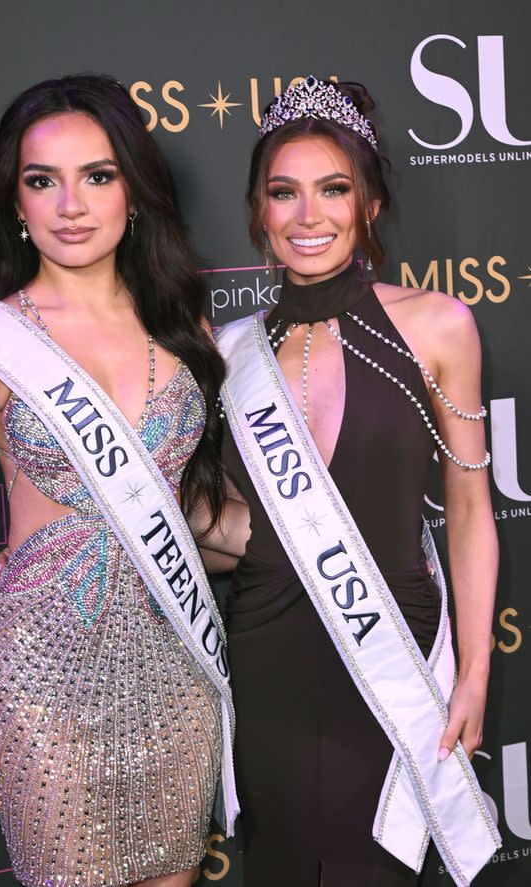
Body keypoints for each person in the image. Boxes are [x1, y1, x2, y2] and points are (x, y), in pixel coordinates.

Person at [0, 74, 239, 887]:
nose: (71, 204)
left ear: (133, 190)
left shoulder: (184, 325)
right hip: (41, 679)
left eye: (97, 175)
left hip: (175, 666)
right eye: (41, 180)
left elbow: (190, 504)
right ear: (16, 202)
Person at [210, 77, 500, 886]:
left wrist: (473, 669)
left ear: (369, 204)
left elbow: (472, 510)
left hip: (393, 674)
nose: (309, 217)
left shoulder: (439, 325)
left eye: (334, 189)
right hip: (268, 670)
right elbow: (225, 526)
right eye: (284, 193)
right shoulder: (225, 354)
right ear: (259, 212)